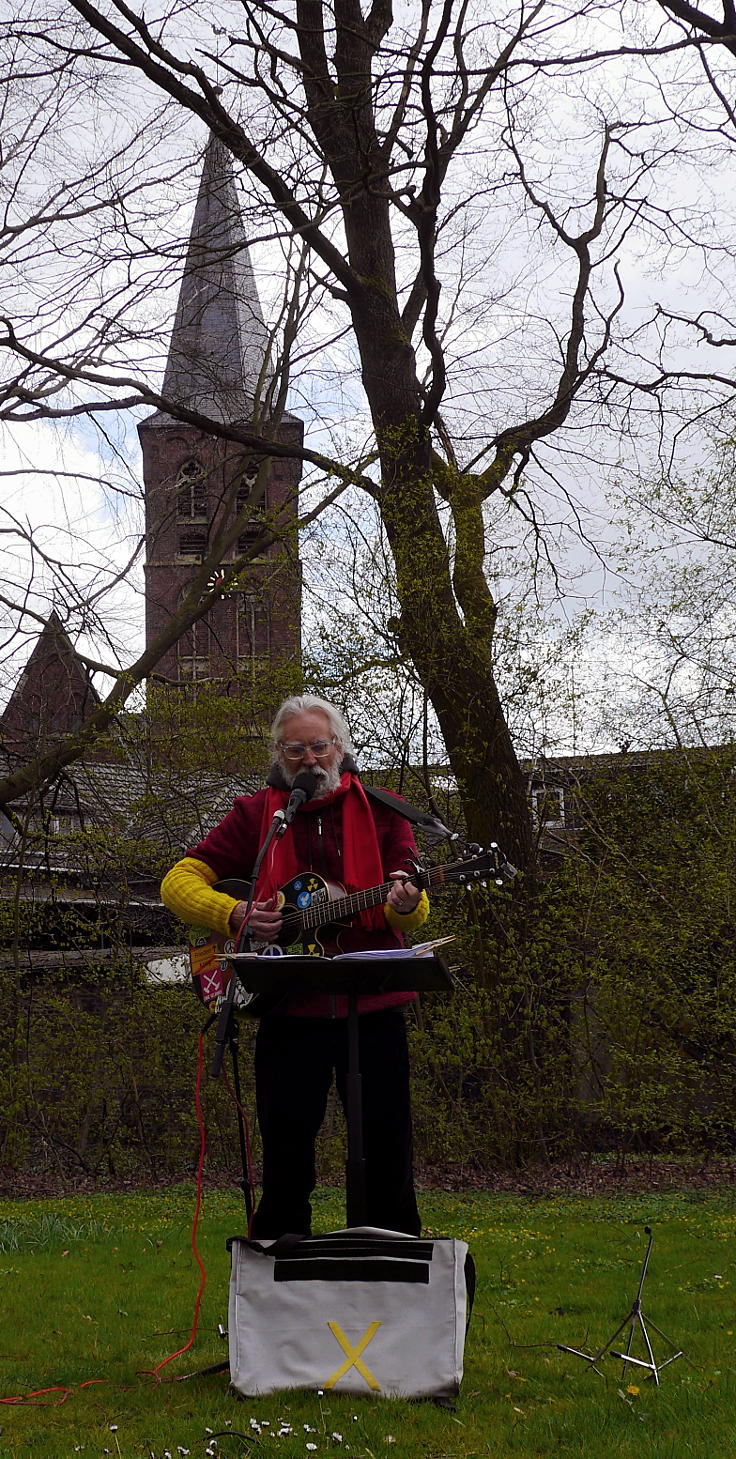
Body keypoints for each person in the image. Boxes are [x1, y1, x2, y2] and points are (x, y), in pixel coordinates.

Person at [161, 694, 430, 1238]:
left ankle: (394, 1264)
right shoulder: (257, 814)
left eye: (319, 747)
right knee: (285, 1157)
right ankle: (279, 1274)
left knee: (386, 1150)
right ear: (280, 758)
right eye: (296, 750)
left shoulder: (385, 810)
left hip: (371, 1008)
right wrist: (235, 911)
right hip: (285, 1007)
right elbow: (176, 883)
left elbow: (412, 907)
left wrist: (406, 902)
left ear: (340, 749)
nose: (310, 760)